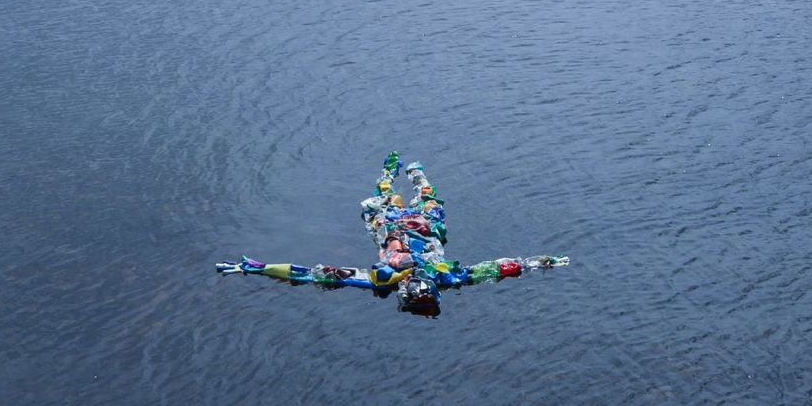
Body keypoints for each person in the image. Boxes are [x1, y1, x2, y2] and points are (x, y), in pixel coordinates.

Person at [216, 152, 568, 315]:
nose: (416, 287)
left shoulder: (380, 279)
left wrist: (257, 268)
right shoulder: (441, 277)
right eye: (425, 297)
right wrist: (542, 262)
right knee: (424, 201)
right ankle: (409, 172)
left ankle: (398, 172)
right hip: (423, 228)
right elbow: (498, 267)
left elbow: (312, 274)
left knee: (391, 201)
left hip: (395, 227)